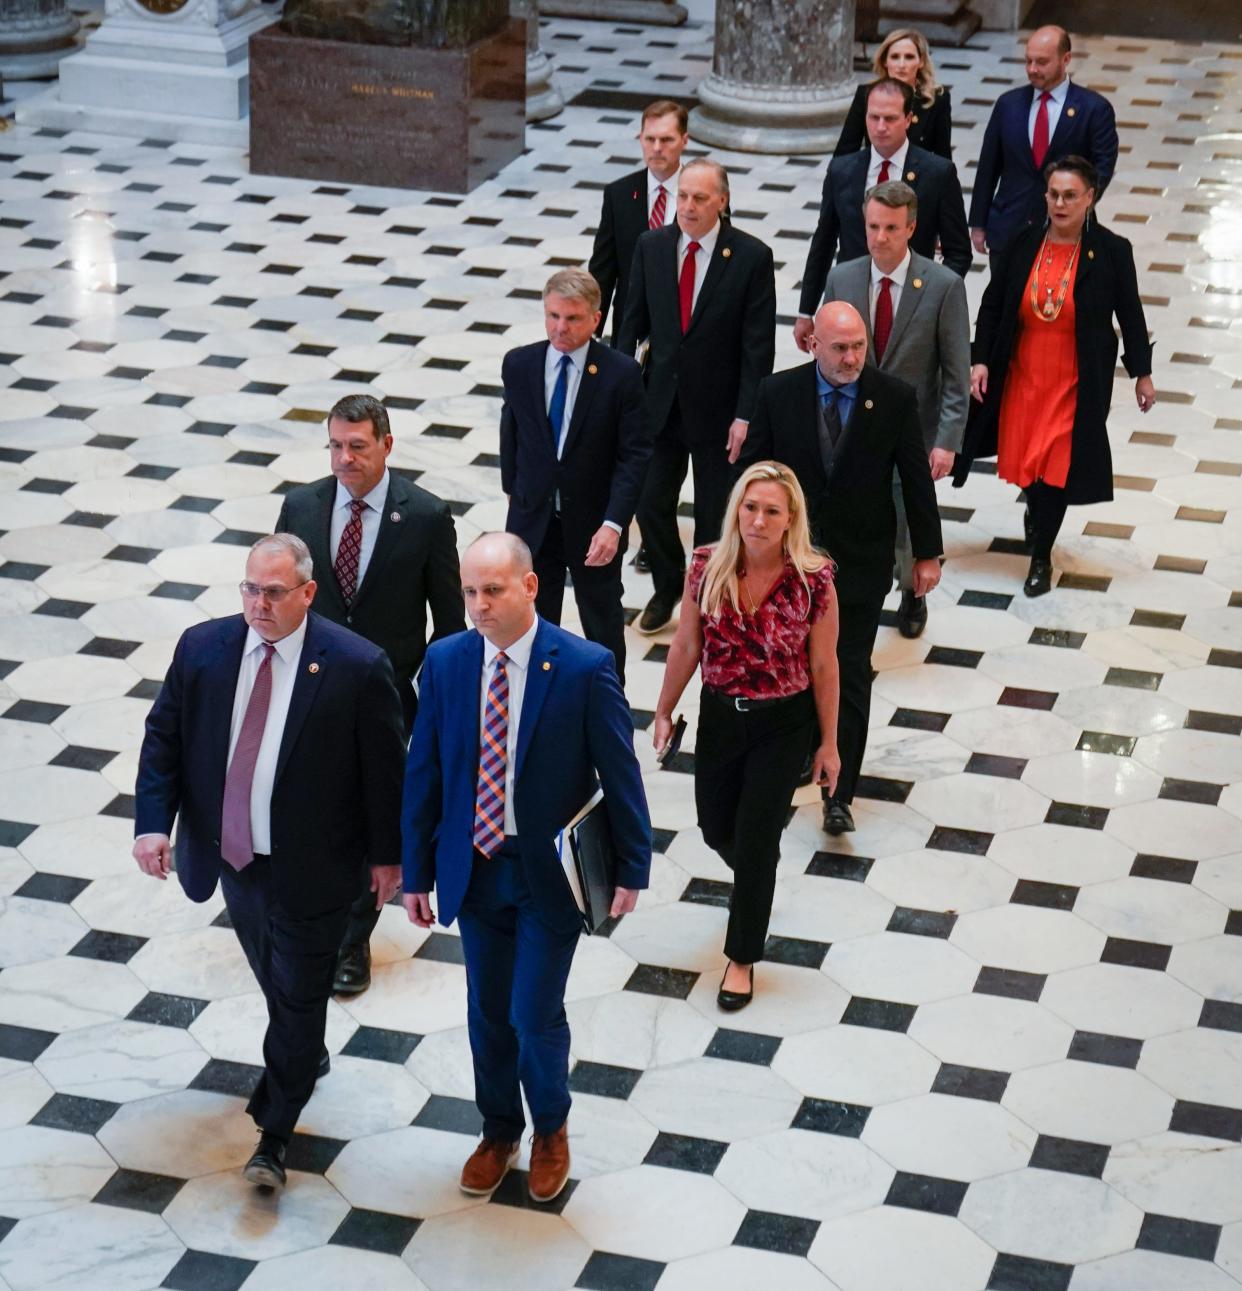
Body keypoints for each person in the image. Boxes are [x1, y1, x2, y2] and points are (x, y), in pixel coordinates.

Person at [133, 534, 405, 1189]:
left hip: (314, 865)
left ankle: (273, 1135)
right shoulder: (203, 648)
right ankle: (304, 1054)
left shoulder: (355, 665)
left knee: (298, 994)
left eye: (275, 592)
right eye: (251, 589)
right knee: (280, 982)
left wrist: (390, 857)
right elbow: (164, 737)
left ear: (308, 593)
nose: (259, 603)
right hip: (232, 859)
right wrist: (150, 824)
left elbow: (385, 773)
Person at [401, 533, 652, 1204]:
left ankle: (551, 1126)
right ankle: (497, 1128)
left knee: (533, 1012)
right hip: (476, 865)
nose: (479, 605)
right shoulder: (447, 660)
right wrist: (415, 870)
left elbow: (619, 773)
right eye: (470, 592)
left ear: (531, 586)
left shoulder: (583, 665)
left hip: (548, 873)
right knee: (486, 1009)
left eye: (494, 590)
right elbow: (424, 771)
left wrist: (633, 864)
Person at [275, 393, 464, 997]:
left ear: (387, 445)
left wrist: (433, 697)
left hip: (387, 695)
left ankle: (354, 936)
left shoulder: (428, 516)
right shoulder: (300, 506)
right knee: (309, 807)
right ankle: (304, 912)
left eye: (357, 446)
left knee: (370, 812)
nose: (344, 459)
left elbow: (450, 623)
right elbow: (281, 596)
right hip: (309, 689)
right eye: (335, 445)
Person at [743, 303, 942, 837]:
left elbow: (915, 480)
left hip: (859, 565)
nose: (852, 357)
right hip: (790, 569)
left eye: (858, 347)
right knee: (789, 670)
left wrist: (927, 553)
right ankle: (794, 761)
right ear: (813, 346)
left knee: (849, 672)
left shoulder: (893, 397)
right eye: (840, 347)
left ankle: (839, 792)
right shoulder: (777, 394)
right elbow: (754, 479)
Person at [653, 463, 840, 1010]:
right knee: (715, 826)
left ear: (790, 520)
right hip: (719, 715)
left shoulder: (814, 577)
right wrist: (664, 710)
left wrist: (828, 744)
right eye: (750, 507)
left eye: (772, 511)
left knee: (756, 843)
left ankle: (741, 958)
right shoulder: (707, 566)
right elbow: (686, 644)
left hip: (783, 723)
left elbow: (826, 666)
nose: (758, 520)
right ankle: (759, 875)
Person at [957, 157, 1156, 597]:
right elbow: (993, 306)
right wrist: (981, 359)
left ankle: (1041, 556)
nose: (1060, 203)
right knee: (1031, 463)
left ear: (1091, 198)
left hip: (1075, 376)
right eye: (1053, 194)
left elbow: (1131, 314)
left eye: (1070, 195)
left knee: (1056, 464)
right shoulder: (1023, 243)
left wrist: (1141, 372)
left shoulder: (1111, 250)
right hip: (1024, 371)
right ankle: (1038, 510)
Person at [618, 158, 776, 635]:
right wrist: (617, 398)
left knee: (715, 513)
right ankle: (668, 585)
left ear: (722, 202)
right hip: (658, 407)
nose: (687, 206)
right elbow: (631, 327)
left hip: (720, 411)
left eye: (699, 198)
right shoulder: (652, 247)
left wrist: (746, 415)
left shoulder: (750, 256)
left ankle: (708, 597)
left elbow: (757, 347)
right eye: (683, 196)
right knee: (650, 502)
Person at [822, 180, 969, 639]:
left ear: (911, 228)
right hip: (851, 424)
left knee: (908, 515)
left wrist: (947, 441)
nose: (879, 237)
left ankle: (912, 592)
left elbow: (954, 371)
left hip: (914, 429)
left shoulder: (943, 286)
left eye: (890, 227)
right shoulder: (842, 277)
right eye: (872, 226)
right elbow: (829, 353)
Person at [500, 269, 652, 685]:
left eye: (571, 318)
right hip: (533, 519)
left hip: (593, 524)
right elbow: (511, 429)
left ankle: (609, 700)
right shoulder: (519, 364)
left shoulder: (620, 374)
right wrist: (513, 491)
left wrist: (614, 523)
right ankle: (536, 696)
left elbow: (635, 455)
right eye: (552, 316)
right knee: (531, 617)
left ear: (595, 319)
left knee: (601, 619)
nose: (559, 328)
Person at [794, 78, 971, 352]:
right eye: (873, 117)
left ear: (909, 118)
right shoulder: (842, 170)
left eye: (889, 118)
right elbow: (824, 241)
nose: (880, 127)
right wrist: (806, 311)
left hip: (911, 304)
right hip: (852, 301)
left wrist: (932, 296)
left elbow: (959, 250)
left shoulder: (938, 173)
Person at [969, 25, 1119, 258]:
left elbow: (1103, 166)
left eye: (1041, 62)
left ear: (1065, 59)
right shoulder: (1008, 104)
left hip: (1067, 231)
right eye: (1028, 61)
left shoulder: (1094, 109)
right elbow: (989, 166)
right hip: (1009, 229)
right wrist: (978, 222)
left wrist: (1080, 206)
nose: (1032, 69)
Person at [589, 98, 689, 346]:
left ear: (684, 140)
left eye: (666, 140)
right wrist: (590, 330)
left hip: (684, 325)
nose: (656, 148)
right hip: (629, 325)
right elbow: (604, 268)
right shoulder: (619, 194)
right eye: (649, 139)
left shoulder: (702, 193)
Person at [833, 28, 953, 160]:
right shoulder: (866, 94)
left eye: (909, 57)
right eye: (895, 57)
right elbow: (844, 153)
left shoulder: (937, 99)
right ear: (885, 61)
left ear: (921, 61)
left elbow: (943, 157)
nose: (901, 65)